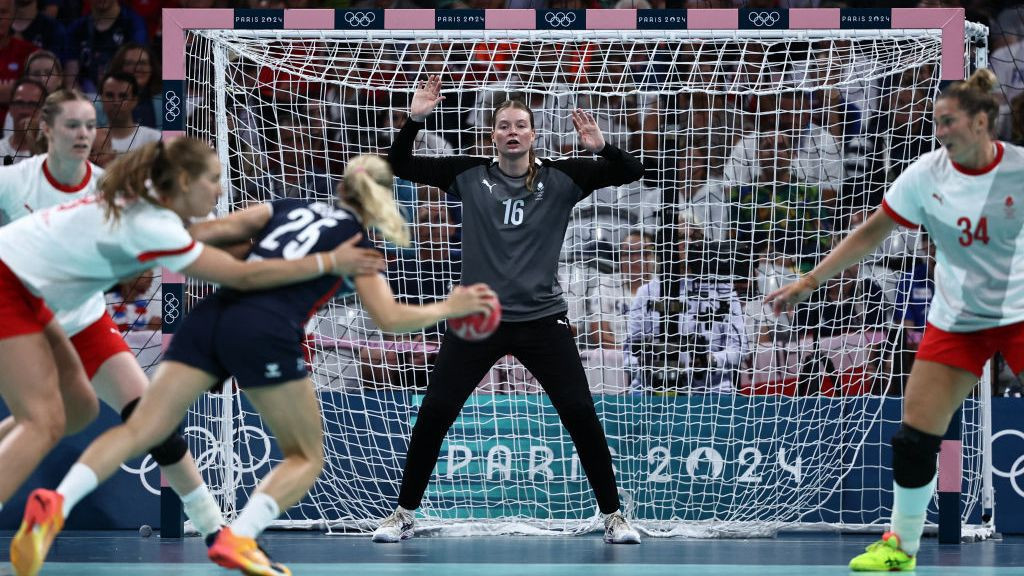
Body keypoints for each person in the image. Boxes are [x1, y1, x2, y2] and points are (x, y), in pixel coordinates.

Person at [1, 139, 387, 576]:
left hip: (72, 306)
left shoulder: (145, 193)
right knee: (44, 420)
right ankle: (209, 532)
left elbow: (214, 242)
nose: (221, 192)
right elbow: (245, 275)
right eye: (214, 180)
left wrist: (262, 243)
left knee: (103, 414)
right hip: (15, 284)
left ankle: (214, 532)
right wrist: (328, 260)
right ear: (184, 181)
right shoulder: (155, 224)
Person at [765, 69, 1023, 572]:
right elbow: (871, 234)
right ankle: (900, 550)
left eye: (949, 122)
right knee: (913, 437)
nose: (940, 132)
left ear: (982, 122)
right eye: (936, 123)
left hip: (1019, 314)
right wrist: (809, 281)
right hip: (958, 321)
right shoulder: (926, 175)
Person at [373, 75, 645, 544]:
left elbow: (632, 171)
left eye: (521, 124)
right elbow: (399, 165)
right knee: (435, 410)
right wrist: (415, 119)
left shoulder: (565, 176)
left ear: (534, 134)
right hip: (478, 319)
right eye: (504, 125)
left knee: (580, 411)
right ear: (493, 135)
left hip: (543, 319)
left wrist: (602, 146)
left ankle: (614, 516)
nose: (513, 132)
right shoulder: (466, 173)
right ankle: (402, 513)